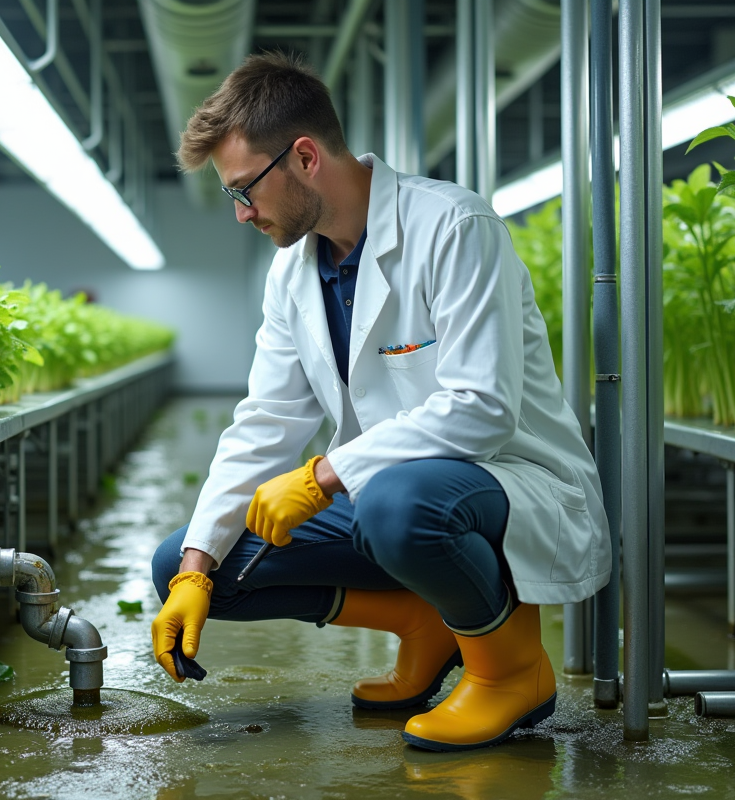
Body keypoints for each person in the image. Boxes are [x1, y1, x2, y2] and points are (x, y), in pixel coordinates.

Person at [150, 52, 611, 752]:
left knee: (402, 504)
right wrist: (193, 568)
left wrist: (322, 476)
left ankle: (513, 674)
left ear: (304, 157)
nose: (242, 213)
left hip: (506, 484)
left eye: (244, 190)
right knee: (194, 566)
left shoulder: (453, 227)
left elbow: (482, 408)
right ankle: (423, 622)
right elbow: (267, 422)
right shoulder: (294, 273)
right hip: (391, 498)